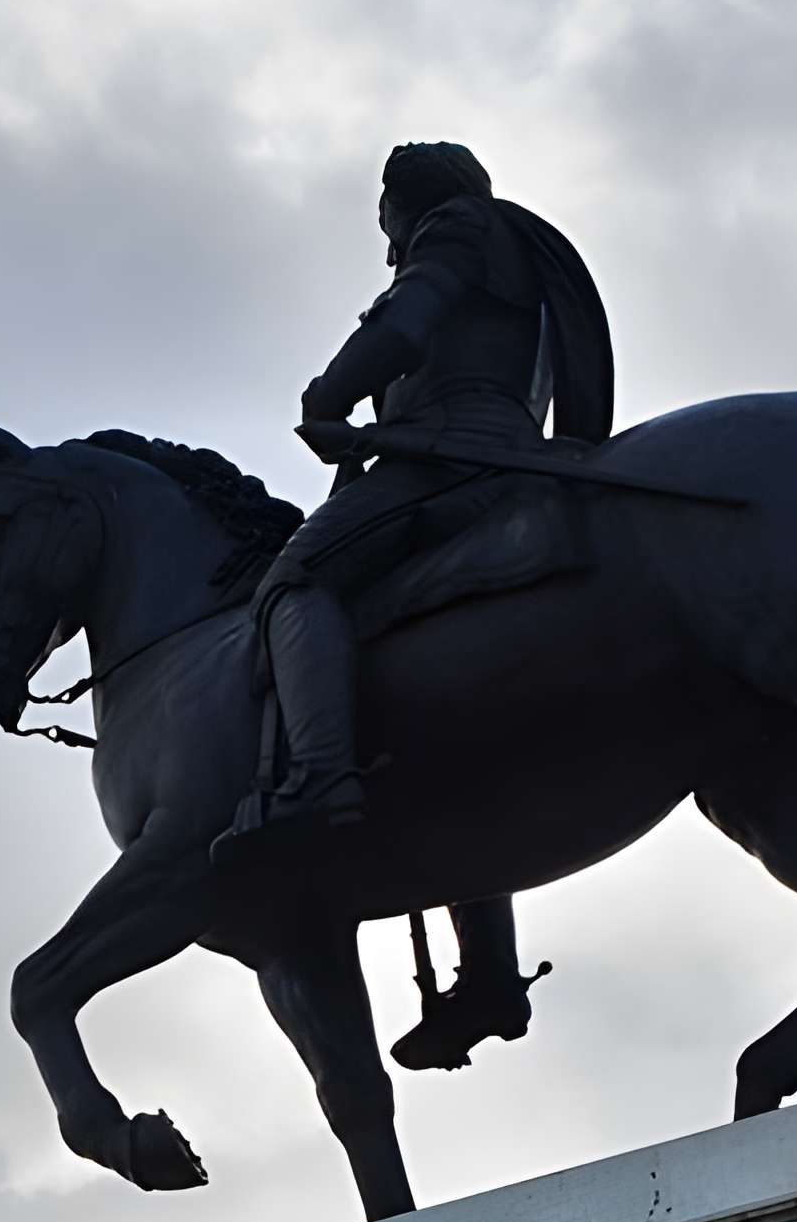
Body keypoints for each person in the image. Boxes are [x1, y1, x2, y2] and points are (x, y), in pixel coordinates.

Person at [216, 140, 614, 871]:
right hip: (489, 452)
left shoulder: (456, 227)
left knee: (293, 581)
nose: (391, 249)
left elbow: (405, 322)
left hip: (450, 460)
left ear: (399, 204)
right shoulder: (515, 246)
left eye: (387, 226)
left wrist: (328, 396)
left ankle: (319, 779)